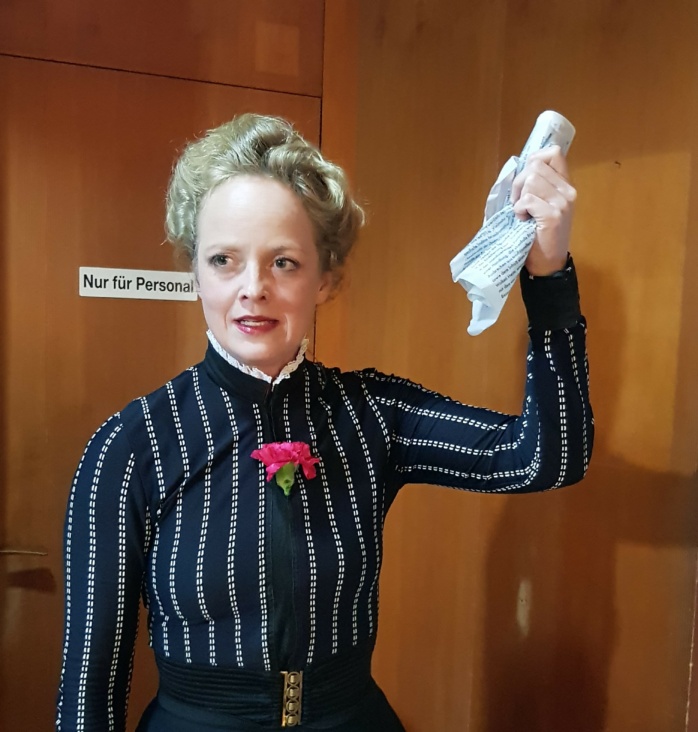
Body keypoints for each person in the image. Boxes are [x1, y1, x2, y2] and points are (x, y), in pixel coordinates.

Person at [56, 113, 593, 731]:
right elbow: (89, 687)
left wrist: (549, 279)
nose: (253, 288)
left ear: (326, 279)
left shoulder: (371, 414)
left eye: (284, 262)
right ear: (195, 272)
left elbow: (546, 458)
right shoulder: (131, 445)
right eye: (224, 259)